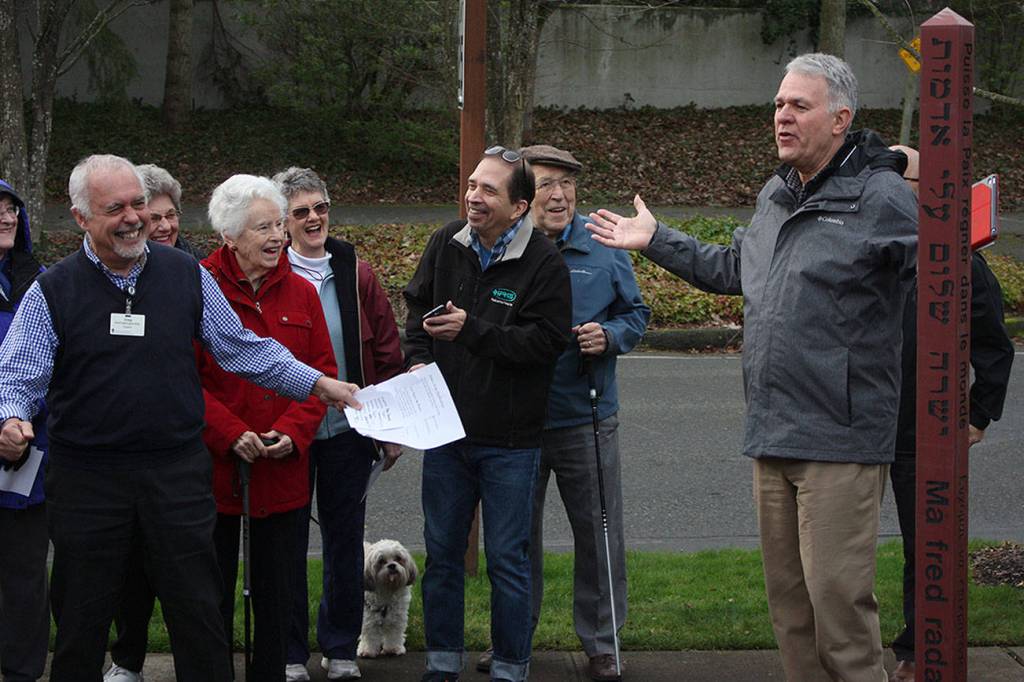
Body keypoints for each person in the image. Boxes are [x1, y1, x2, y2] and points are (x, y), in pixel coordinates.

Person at [587, 54, 917, 681]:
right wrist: (656, 239)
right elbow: (737, 270)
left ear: (840, 118)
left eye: (799, 105)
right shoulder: (777, 192)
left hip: (842, 439)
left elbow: (948, 283)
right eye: (778, 104)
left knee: (839, 611)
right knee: (791, 614)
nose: (782, 116)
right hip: (772, 431)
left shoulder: (880, 197)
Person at [0, 154, 361, 682]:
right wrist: (10, 418)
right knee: (81, 621)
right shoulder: (54, 290)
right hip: (88, 482)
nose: (133, 218)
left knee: (198, 617)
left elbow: (242, 348)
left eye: (139, 204)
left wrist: (317, 383)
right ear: (80, 218)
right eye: (115, 208)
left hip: (175, 475)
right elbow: (18, 375)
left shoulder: (186, 275)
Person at [477, 145, 649, 682]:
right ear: (523, 197)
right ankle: (512, 641)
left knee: (597, 536)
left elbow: (636, 313)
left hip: (586, 418)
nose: (561, 195)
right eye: (548, 184)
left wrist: (613, 334)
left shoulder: (602, 247)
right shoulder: (502, 250)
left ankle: (602, 643)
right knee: (513, 541)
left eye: (568, 185)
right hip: (515, 423)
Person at [403, 146, 573, 682]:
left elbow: (546, 344)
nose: (474, 197)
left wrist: (471, 330)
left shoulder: (544, 263)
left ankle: (510, 668)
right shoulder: (446, 243)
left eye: (488, 191)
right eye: (473, 185)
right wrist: (417, 364)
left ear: (519, 207)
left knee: (507, 563)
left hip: (511, 442)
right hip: (445, 435)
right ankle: (441, 665)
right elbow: (416, 311)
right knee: (442, 557)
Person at [198, 173, 338, 681]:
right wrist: (229, 431)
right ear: (229, 237)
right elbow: (183, 379)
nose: (280, 235)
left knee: (277, 596)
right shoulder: (197, 287)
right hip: (215, 471)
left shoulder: (301, 293)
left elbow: (323, 371)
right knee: (208, 597)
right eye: (265, 227)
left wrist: (293, 431)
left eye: (280, 224)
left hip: (282, 471)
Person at [886, 146, 1015, 682]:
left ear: (928, 187)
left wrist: (976, 419)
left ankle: (918, 651)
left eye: (901, 176)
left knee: (926, 547)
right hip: (861, 425)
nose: (889, 186)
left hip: (924, 432)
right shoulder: (879, 250)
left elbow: (994, 348)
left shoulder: (963, 262)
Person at [273, 167, 404, 682]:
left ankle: (341, 648)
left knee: (345, 541)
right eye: (301, 211)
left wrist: (391, 426)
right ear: (282, 221)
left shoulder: (356, 272)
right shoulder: (273, 270)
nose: (313, 219)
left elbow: (388, 350)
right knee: (285, 541)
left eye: (320, 207)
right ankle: (287, 652)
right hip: (291, 430)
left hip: (350, 431)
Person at [105, 163, 203, 682]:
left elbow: (233, 354)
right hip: (114, 459)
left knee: (185, 574)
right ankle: (127, 658)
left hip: (182, 447)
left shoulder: (193, 274)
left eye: (170, 216)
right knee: (127, 569)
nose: (160, 225)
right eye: (152, 214)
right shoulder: (96, 276)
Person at [0, 181, 49, 682]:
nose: (7, 216)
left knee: (24, 575)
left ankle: (22, 671)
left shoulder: (41, 285)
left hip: (26, 453)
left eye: (11, 207)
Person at [137, 163, 202, 258]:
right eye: (154, 218)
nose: (166, 227)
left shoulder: (196, 263)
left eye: (170, 215)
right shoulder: (115, 269)